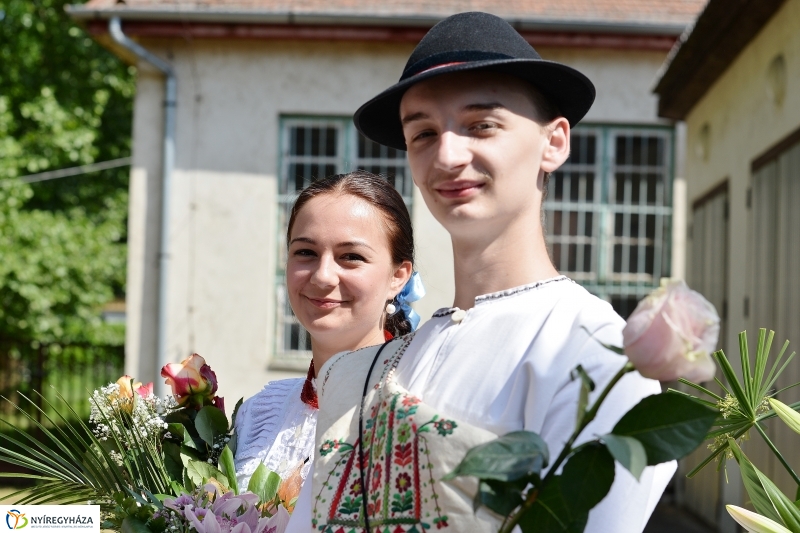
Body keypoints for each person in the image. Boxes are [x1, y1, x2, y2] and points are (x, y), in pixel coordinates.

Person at [311, 12, 675, 533]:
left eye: (481, 125)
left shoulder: (591, 346)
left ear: (554, 143)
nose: (448, 154)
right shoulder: (388, 360)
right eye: (424, 133)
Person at [233, 171, 424, 528]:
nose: (322, 276)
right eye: (305, 252)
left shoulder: (422, 409)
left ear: (398, 276)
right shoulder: (260, 413)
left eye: (350, 256)